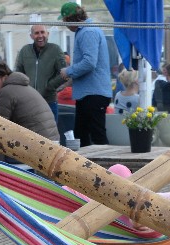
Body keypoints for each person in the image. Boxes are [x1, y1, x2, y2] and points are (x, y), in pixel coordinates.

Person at [0, 62, 59, 160]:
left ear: (4, 77)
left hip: (39, 149)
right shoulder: (24, 87)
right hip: (52, 145)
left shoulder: (6, 92)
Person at [59, 2, 111, 147]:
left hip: (93, 94)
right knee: (81, 136)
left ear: (70, 19)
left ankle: (107, 168)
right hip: (89, 93)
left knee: (97, 135)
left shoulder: (88, 32)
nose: (65, 26)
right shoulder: (86, 31)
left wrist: (67, 71)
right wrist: (71, 80)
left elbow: (89, 62)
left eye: (65, 22)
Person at [13, 23, 67, 122]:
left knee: (50, 135)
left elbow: (64, 73)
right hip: (29, 103)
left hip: (49, 102)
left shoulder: (55, 50)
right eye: (37, 33)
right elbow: (18, 73)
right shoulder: (25, 51)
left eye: (43, 32)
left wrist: (50, 86)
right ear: (31, 36)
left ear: (48, 34)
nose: (40, 36)